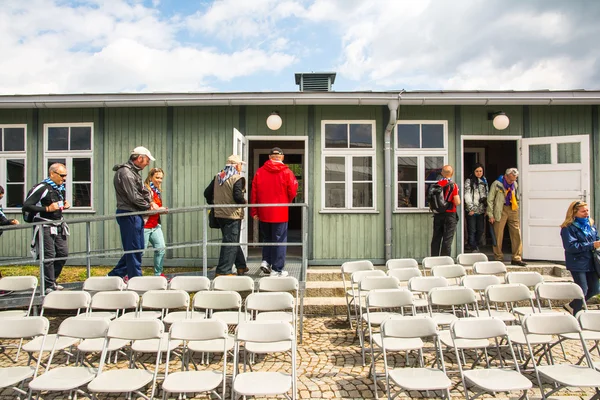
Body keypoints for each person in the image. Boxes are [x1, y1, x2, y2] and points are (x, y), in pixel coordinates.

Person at [108, 146, 161, 281]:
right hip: (129, 213)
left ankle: (114, 276)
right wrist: (149, 206)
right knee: (134, 249)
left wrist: (150, 201)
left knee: (137, 248)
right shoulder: (126, 173)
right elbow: (133, 196)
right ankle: (135, 279)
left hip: (135, 213)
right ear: (139, 158)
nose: (148, 163)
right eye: (147, 160)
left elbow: (143, 191)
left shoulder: (133, 172)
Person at [22, 163, 71, 293]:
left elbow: (56, 204)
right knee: (48, 255)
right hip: (44, 225)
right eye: (62, 175)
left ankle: (52, 280)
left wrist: (64, 205)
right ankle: (48, 285)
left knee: (62, 253)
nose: (64, 178)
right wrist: (47, 209)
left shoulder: (59, 188)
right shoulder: (42, 188)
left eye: (66, 175)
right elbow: (27, 205)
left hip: (58, 224)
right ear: (52, 174)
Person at [251, 147, 298, 277]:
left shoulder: (260, 172)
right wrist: (285, 201)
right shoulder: (287, 172)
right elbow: (293, 190)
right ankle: (277, 269)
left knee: (267, 238)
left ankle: (266, 261)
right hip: (280, 211)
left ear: (269, 157)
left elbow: (253, 192)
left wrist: (254, 210)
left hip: (264, 211)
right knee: (280, 240)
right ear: (281, 157)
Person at [204, 155, 248, 277]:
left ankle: (241, 266)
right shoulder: (237, 178)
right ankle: (223, 271)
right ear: (236, 165)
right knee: (230, 243)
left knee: (232, 240)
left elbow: (207, 193)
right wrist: (245, 203)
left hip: (219, 215)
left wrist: (214, 203)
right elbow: (238, 196)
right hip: (232, 215)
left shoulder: (218, 177)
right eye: (240, 165)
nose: (241, 167)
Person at [559, 200, 600, 315]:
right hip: (577, 263)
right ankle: (576, 314)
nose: (586, 213)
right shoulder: (568, 227)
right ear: (574, 213)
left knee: (595, 289)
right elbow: (570, 247)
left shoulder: (590, 225)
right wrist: (592, 245)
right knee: (583, 289)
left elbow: (596, 238)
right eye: (583, 211)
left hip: (591, 261)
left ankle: (571, 306)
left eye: (587, 210)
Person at [487, 167, 527, 266]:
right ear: (505, 176)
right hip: (501, 209)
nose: (512, 181)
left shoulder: (514, 183)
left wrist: (517, 206)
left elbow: (517, 196)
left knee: (516, 233)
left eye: (514, 179)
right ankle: (498, 257)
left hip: (512, 208)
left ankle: (516, 257)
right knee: (498, 234)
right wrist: (490, 214)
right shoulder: (497, 184)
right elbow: (490, 199)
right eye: (510, 179)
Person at [430, 165, 460, 257]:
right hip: (450, 214)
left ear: (442, 173)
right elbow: (457, 202)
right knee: (447, 239)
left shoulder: (437, 184)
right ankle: (444, 261)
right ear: (452, 173)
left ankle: (434, 259)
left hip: (438, 214)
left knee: (436, 238)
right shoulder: (453, 185)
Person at [144, 168, 167, 277]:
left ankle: (158, 274)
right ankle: (128, 274)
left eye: (161, 178)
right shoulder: (146, 189)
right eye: (157, 177)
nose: (159, 180)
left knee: (161, 248)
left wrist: (160, 210)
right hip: (145, 225)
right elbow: (142, 206)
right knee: (140, 252)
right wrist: (158, 209)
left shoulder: (157, 191)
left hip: (155, 225)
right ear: (151, 177)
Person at [464, 163, 488, 252]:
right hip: (472, 210)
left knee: (481, 230)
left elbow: (486, 194)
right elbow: (467, 195)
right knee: (472, 229)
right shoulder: (469, 181)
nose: (479, 173)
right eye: (477, 171)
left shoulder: (484, 181)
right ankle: (472, 246)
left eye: (480, 171)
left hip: (481, 209)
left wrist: (486, 208)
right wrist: (471, 208)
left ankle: (476, 245)